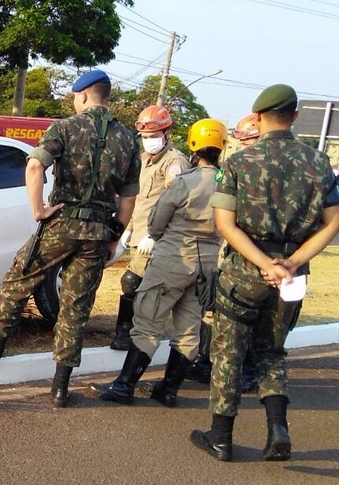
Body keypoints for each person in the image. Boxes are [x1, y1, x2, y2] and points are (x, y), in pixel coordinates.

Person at [0, 69, 140, 408]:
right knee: (76, 307)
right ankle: (60, 387)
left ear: (84, 96)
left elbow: (35, 166)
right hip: (97, 232)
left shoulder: (65, 127)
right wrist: (113, 236)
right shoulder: (127, 139)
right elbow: (129, 199)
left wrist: (38, 210)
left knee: (20, 279)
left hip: (62, 223)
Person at [190, 84, 339, 462]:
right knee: (272, 352)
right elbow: (332, 223)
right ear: (295, 115)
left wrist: (264, 263)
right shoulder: (320, 163)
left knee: (228, 353)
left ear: (257, 118)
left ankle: (221, 436)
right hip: (292, 275)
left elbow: (226, 224)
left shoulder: (239, 162)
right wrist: (289, 262)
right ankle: (277, 430)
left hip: (245, 271)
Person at [89, 119, 225, 406]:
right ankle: (168, 390)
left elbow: (157, 220)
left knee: (148, 323)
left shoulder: (186, 181)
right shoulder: (227, 182)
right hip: (207, 264)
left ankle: (124, 386)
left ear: (192, 145)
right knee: (189, 331)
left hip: (174, 257)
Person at [188, 112, 262, 389]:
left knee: (258, 318)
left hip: (270, 253)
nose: (246, 145)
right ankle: (207, 361)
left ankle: (248, 370)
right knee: (219, 309)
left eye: (251, 139)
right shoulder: (234, 167)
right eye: (242, 140)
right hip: (235, 250)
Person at [110, 105, 192, 350]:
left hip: (159, 239)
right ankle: (128, 333)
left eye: (154, 136)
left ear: (166, 134)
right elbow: (136, 199)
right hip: (138, 236)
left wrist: (154, 236)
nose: (149, 141)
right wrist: (126, 230)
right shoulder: (144, 161)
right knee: (134, 285)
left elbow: (176, 204)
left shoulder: (175, 162)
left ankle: (128, 334)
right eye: (145, 137)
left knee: (135, 283)